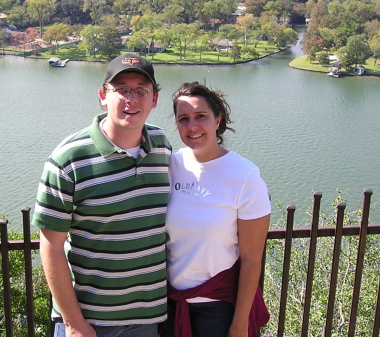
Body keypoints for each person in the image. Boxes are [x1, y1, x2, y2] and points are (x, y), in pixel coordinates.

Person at [32, 53, 171, 337]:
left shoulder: (162, 146)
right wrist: (74, 323)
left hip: (147, 320)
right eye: (121, 89)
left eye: (141, 90)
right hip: (89, 323)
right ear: (102, 96)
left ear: (154, 99)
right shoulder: (68, 159)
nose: (131, 99)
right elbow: (50, 246)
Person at [164, 82, 271, 337]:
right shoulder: (171, 165)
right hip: (170, 305)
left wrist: (239, 324)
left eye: (201, 116)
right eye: (183, 119)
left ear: (217, 119)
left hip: (217, 310)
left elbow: (251, 260)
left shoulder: (244, 176)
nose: (192, 126)